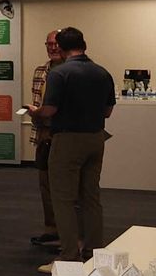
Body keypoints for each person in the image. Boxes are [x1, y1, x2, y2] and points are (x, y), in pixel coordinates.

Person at [32, 27, 117, 263]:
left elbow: (49, 110)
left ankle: (69, 255)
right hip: (96, 138)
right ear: (84, 44)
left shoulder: (59, 74)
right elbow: (108, 111)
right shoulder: (102, 73)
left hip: (67, 139)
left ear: (60, 46)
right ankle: (94, 251)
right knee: (91, 197)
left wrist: (34, 112)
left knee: (63, 198)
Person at [28, 30, 63, 251]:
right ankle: (52, 230)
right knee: (45, 185)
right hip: (43, 135)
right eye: (48, 44)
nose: (52, 48)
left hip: (64, 135)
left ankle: (71, 235)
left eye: (56, 44)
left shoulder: (71, 72)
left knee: (66, 188)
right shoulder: (41, 71)